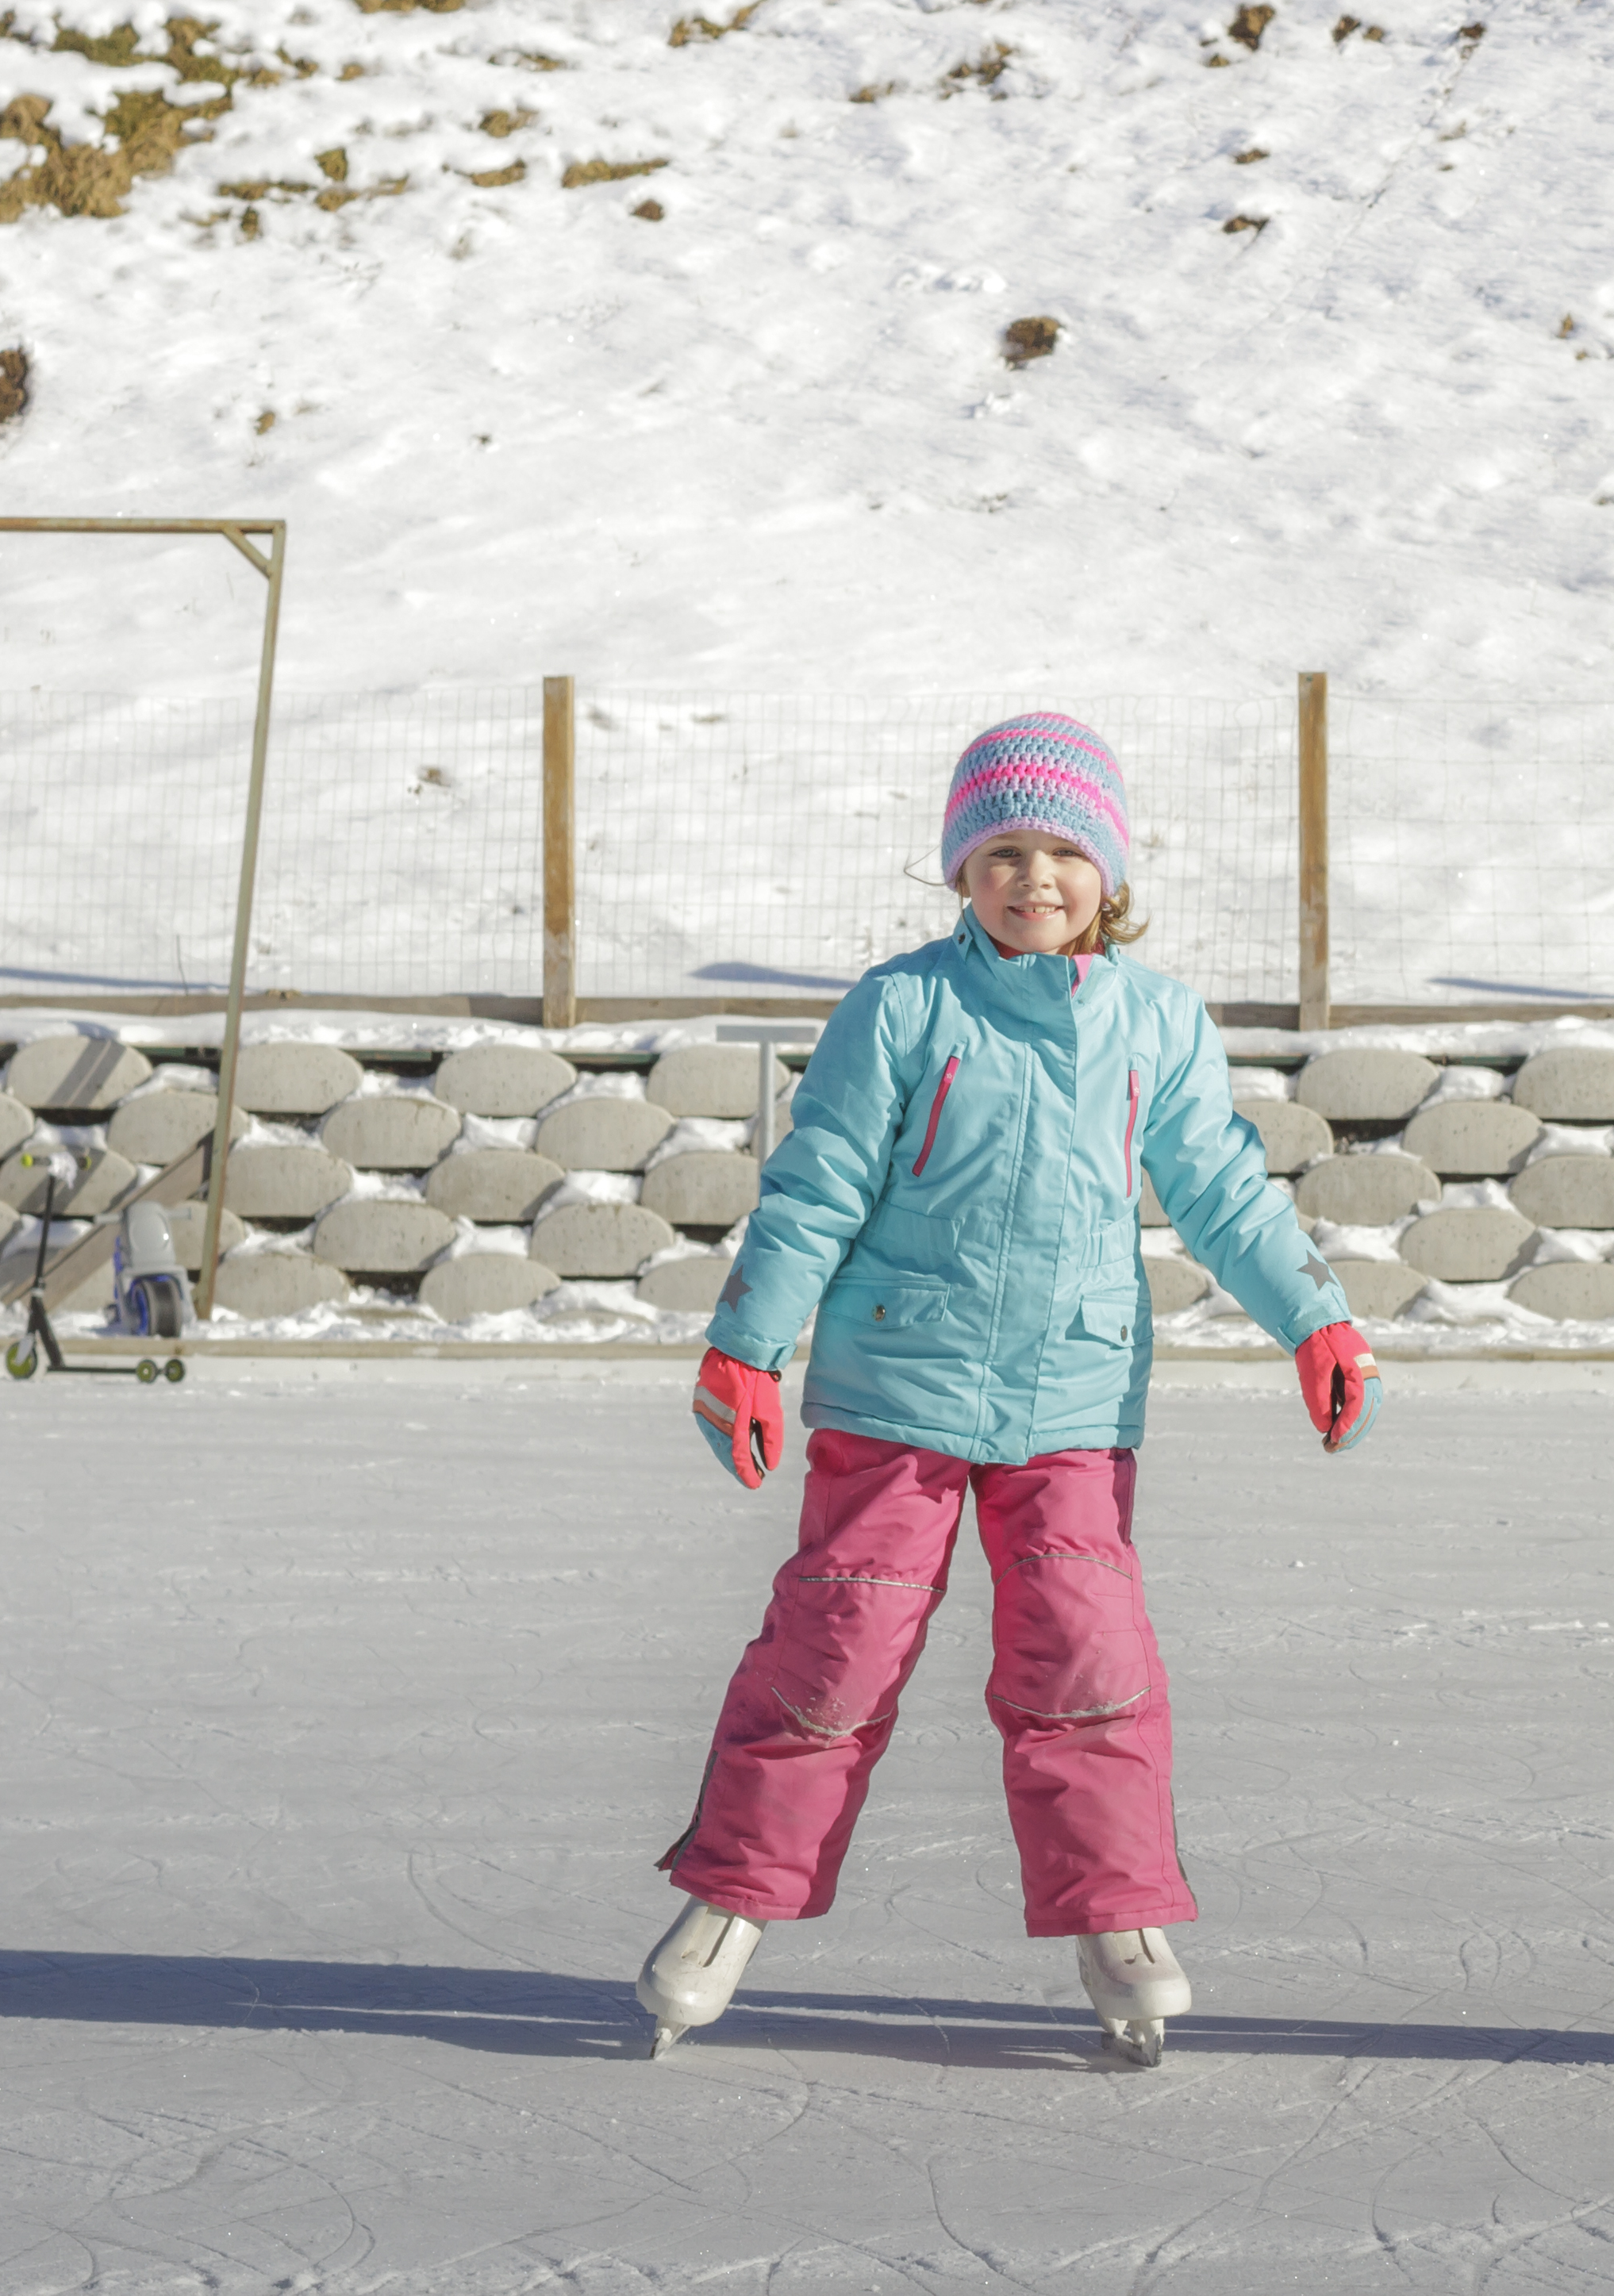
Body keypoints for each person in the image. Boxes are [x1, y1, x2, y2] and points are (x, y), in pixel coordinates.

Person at [634, 711, 1384, 2068]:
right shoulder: (902, 1005)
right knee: (835, 1650)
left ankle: (1119, 1915)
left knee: (1086, 1661)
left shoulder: (1157, 1020)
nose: (1033, 877)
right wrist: (748, 1343)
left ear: (1109, 870)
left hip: (1072, 1400)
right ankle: (732, 1895)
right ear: (960, 871)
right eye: (1001, 853)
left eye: (1062, 851)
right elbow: (818, 1184)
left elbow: (1220, 1187)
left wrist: (1314, 1319)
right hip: (895, 1389)